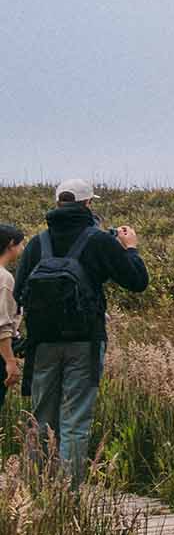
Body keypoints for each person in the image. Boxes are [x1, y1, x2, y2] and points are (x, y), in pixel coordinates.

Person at [14, 181, 147, 485]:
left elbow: (19, 293)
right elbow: (137, 281)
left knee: (41, 418)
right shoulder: (99, 241)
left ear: (57, 205)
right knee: (75, 420)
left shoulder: (38, 243)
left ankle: (36, 489)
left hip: (42, 343)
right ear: (88, 204)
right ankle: (68, 495)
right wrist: (131, 248)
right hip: (84, 341)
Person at [0, 222, 22, 397]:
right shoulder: (4, 278)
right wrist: (10, 361)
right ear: (11, 244)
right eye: (20, 243)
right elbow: (2, 325)